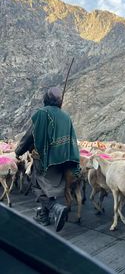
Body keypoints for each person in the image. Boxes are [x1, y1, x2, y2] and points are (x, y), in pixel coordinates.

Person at [15, 87, 80, 232]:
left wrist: (18, 151)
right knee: (48, 187)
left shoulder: (42, 114)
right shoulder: (66, 116)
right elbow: (72, 139)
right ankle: (44, 215)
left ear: (46, 99)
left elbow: (30, 135)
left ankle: (54, 208)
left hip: (44, 159)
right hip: (63, 159)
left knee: (37, 185)